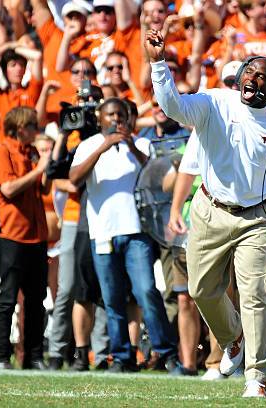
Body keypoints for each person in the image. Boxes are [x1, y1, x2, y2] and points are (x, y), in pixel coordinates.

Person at [146, 29, 266, 397]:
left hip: (256, 219)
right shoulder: (214, 102)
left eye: (263, 77)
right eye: (249, 72)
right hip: (208, 209)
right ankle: (233, 338)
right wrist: (158, 63)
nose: (253, 80)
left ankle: (256, 377)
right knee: (200, 289)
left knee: (254, 293)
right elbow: (173, 106)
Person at [69, 97, 181, 374]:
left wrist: (129, 144)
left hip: (136, 233)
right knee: (112, 298)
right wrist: (103, 147)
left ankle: (166, 353)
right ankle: (121, 357)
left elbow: (157, 179)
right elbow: (74, 179)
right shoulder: (88, 145)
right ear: (100, 119)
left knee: (146, 292)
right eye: (110, 115)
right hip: (102, 233)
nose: (116, 120)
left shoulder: (141, 144)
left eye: (121, 115)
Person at [0, 107, 51, 370]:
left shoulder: (31, 153)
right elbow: (8, 189)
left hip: (36, 235)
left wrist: (46, 163)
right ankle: (1, 356)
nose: (37, 130)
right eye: (33, 125)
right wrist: (39, 170)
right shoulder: (1, 152)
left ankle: (34, 356)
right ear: (20, 127)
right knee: (7, 299)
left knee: (36, 300)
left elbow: (44, 187)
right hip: (11, 234)